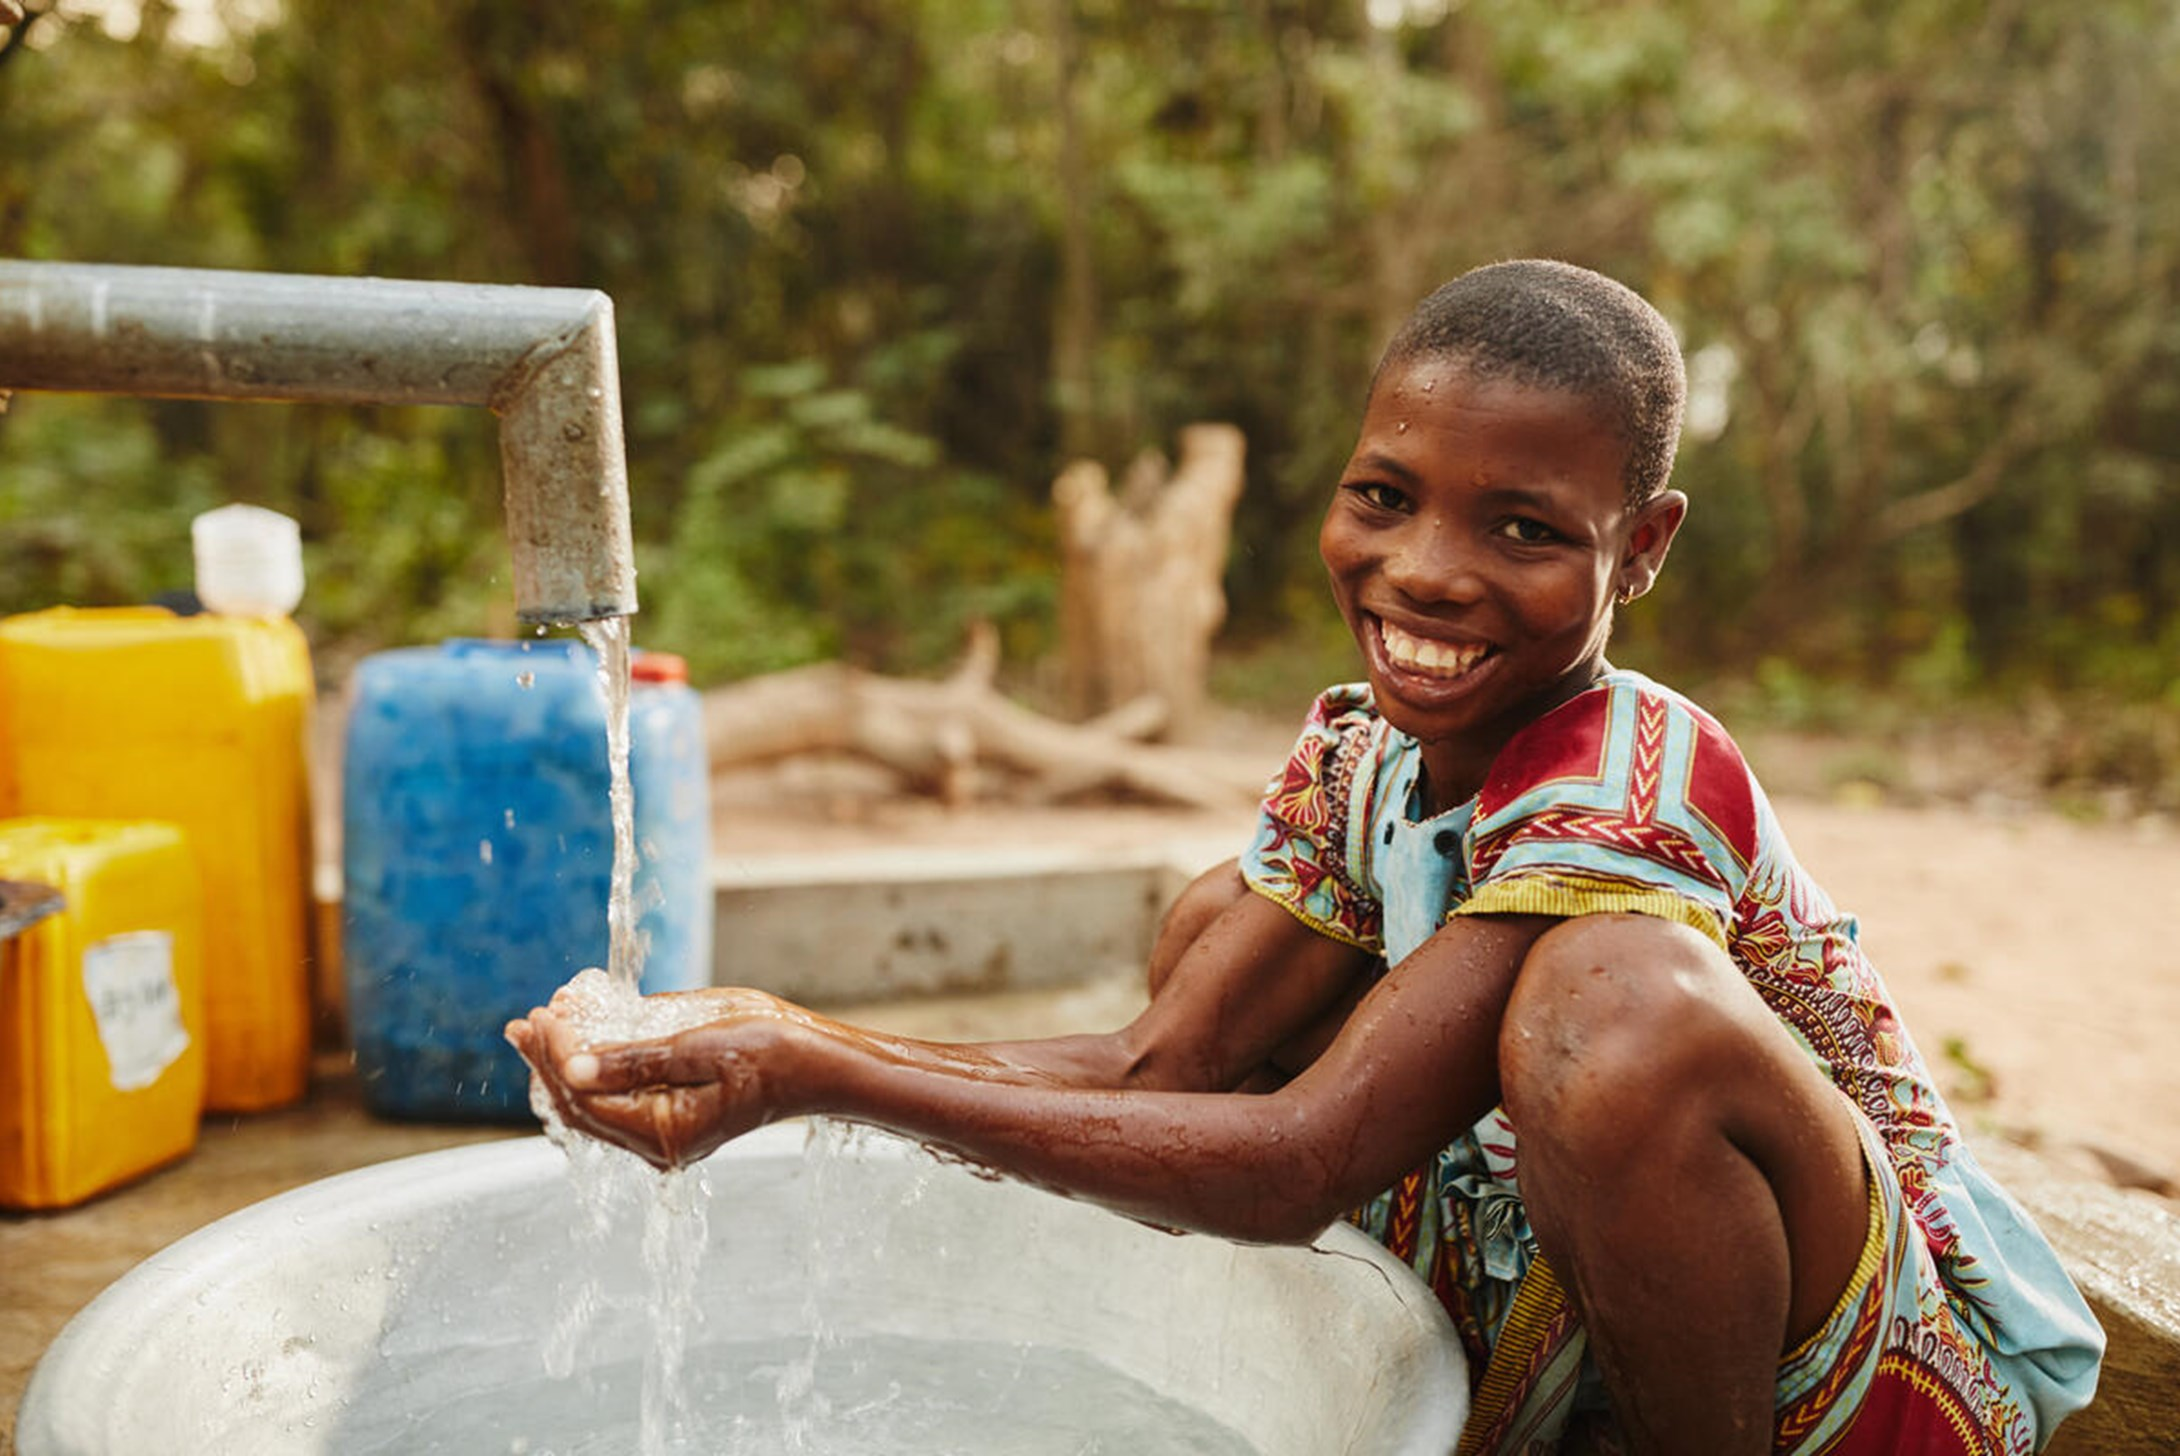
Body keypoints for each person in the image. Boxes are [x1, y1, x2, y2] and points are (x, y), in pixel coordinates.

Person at [509, 259, 2103, 1455]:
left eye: (1525, 530)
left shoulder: (1641, 773)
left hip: (1861, 1386)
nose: (1428, 573)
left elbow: (1300, 1161)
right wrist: (767, 1029)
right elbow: (1160, 1065)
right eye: (1385, 498)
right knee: (1216, 926)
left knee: (1613, 1011)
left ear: (1649, 545)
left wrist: (818, 1075)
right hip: (1562, 1302)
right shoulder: (1363, 753)